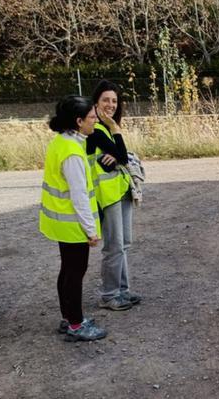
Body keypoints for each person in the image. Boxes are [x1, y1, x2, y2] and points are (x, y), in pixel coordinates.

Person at [40, 95, 108, 342]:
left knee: (67, 271)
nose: (95, 121)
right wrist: (91, 230)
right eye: (92, 117)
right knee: (75, 273)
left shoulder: (61, 142)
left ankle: (68, 318)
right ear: (79, 121)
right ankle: (76, 325)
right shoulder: (73, 154)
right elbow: (79, 197)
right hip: (72, 226)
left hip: (61, 223)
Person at [88, 80, 141, 311]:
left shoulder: (107, 129)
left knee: (124, 244)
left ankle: (122, 290)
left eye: (114, 101)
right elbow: (122, 155)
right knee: (114, 246)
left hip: (121, 191)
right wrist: (115, 130)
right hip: (108, 196)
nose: (111, 105)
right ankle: (109, 295)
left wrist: (119, 155)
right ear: (96, 103)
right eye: (106, 100)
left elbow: (121, 156)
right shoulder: (96, 129)